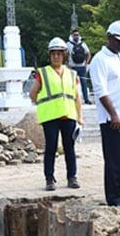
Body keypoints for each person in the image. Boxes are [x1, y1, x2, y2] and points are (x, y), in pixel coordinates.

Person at [88, 20, 120, 207]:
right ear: (109, 37)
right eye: (119, 41)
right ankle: (113, 197)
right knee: (113, 159)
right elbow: (101, 90)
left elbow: (119, 85)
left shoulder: (118, 59)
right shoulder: (100, 60)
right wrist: (113, 114)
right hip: (112, 118)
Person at [29, 37, 83, 191]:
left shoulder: (72, 74)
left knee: (69, 147)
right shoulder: (43, 73)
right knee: (51, 147)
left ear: (64, 55)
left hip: (68, 115)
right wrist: (42, 105)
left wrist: (80, 117)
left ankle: (72, 177)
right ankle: (49, 178)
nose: (56, 56)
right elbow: (33, 93)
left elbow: (77, 97)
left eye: (59, 53)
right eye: (53, 53)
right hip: (50, 117)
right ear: (50, 55)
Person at [67, 29, 92, 105]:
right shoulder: (68, 44)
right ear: (72, 36)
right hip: (72, 66)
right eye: (75, 35)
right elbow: (65, 54)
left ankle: (86, 99)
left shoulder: (83, 44)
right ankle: (72, 98)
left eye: (77, 35)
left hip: (82, 66)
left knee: (84, 83)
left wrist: (86, 63)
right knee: (72, 83)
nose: (76, 36)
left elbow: (88, 53)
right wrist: (67, 64)